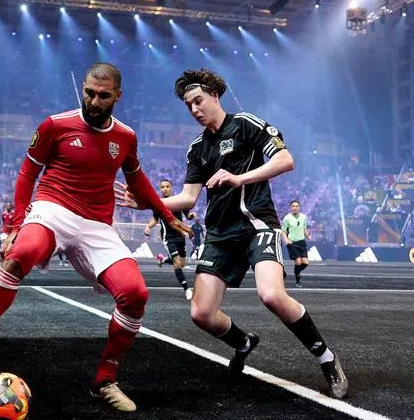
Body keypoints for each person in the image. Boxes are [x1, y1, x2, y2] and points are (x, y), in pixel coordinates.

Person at [0, 63, 188, 413]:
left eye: (103, 96)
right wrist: (16, 226)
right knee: (22, 254)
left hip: (98, 224)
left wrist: (167, 215)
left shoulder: (126, 136)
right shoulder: (55, 125)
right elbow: (27, 174)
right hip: (53, 208)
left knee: (135, 294)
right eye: (89, 93)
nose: (94, 101)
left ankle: (105, 381)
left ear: (118, 96)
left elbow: (137, 179)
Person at [119, 68, 348, 399]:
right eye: (188, 105)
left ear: (215, 95)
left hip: (257, 224)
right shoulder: (197, 148)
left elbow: (286, 160)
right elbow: (188, 198)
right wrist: (148, 202)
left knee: (271, 295)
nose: (194, 109)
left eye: (198, 100)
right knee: (201, 314)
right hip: (220, 235)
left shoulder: (245, 124)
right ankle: (243, 342)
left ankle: (327, 358)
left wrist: (240, 178)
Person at [144, 178, 195, 299]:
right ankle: (187, 289)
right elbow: (155, 219)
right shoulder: (159, 203)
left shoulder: (178, 201)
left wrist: (191, 216)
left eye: (167, 186)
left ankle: (163, 260)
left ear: (171, 188)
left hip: (180, 236)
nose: (165, 189)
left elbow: (187, 214)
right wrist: (148, 226)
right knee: (177, 262)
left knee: (181, 264)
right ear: (160, 189)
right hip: (168, 237)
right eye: (162, 187)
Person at [281, 199, 310, 287]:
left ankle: (296, 272)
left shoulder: (304, 217)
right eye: (293, 206)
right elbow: (283, 231)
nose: (295, 208)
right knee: (298, 261)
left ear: (299, 207)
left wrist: (307, 235)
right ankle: (298, 280)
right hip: (292, 243)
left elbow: (304, 228)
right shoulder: (287, 218)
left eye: (297, 206)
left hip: (301, 242)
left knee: (305, 262)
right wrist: (286, 240)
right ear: (290, 208)